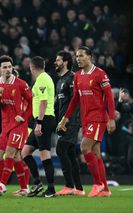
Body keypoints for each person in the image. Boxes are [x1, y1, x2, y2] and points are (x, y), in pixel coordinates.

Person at [58, 46, 116, 197]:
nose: (78, 58)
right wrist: (65, 119)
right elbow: (75, 99)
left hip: (98, 117)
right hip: (86, 118)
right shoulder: (77, 75)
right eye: (77, 56)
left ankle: (97, 184)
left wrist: (111, 118)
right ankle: (106, 190)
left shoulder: (100, 74)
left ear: (90, 56)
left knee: (84, 148)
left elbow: (109, 96)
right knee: (96, 153)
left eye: (81, 55)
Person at [0, 55, 31, 196]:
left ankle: (1, 186)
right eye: (4, 67)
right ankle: (25, 188)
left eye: (9, 67)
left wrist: (24, 117)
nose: (8, 69)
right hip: (5, 125)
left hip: (19, 124)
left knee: (10, 154)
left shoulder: (20, 83)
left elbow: (32, 101)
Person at [21, 56, 57, 198]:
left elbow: (43, 102)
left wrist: (40, 123)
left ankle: (51, 189)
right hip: (42, 120)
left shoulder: (42, 79)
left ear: (31, 67)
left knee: (44, 154)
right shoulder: (45, 78)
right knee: (25, 152)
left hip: (45, 120)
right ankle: (37, 182)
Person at [54, 50, 85, 196]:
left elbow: (76, 100)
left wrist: (68, 120)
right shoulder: (60, 80)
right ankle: (78, 188)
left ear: (65, 62)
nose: (56, 62)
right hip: (63, 121)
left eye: (58, 60)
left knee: (61, 149)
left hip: (71, 121)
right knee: (71, 154)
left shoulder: (72, 78)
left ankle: (68, 185)